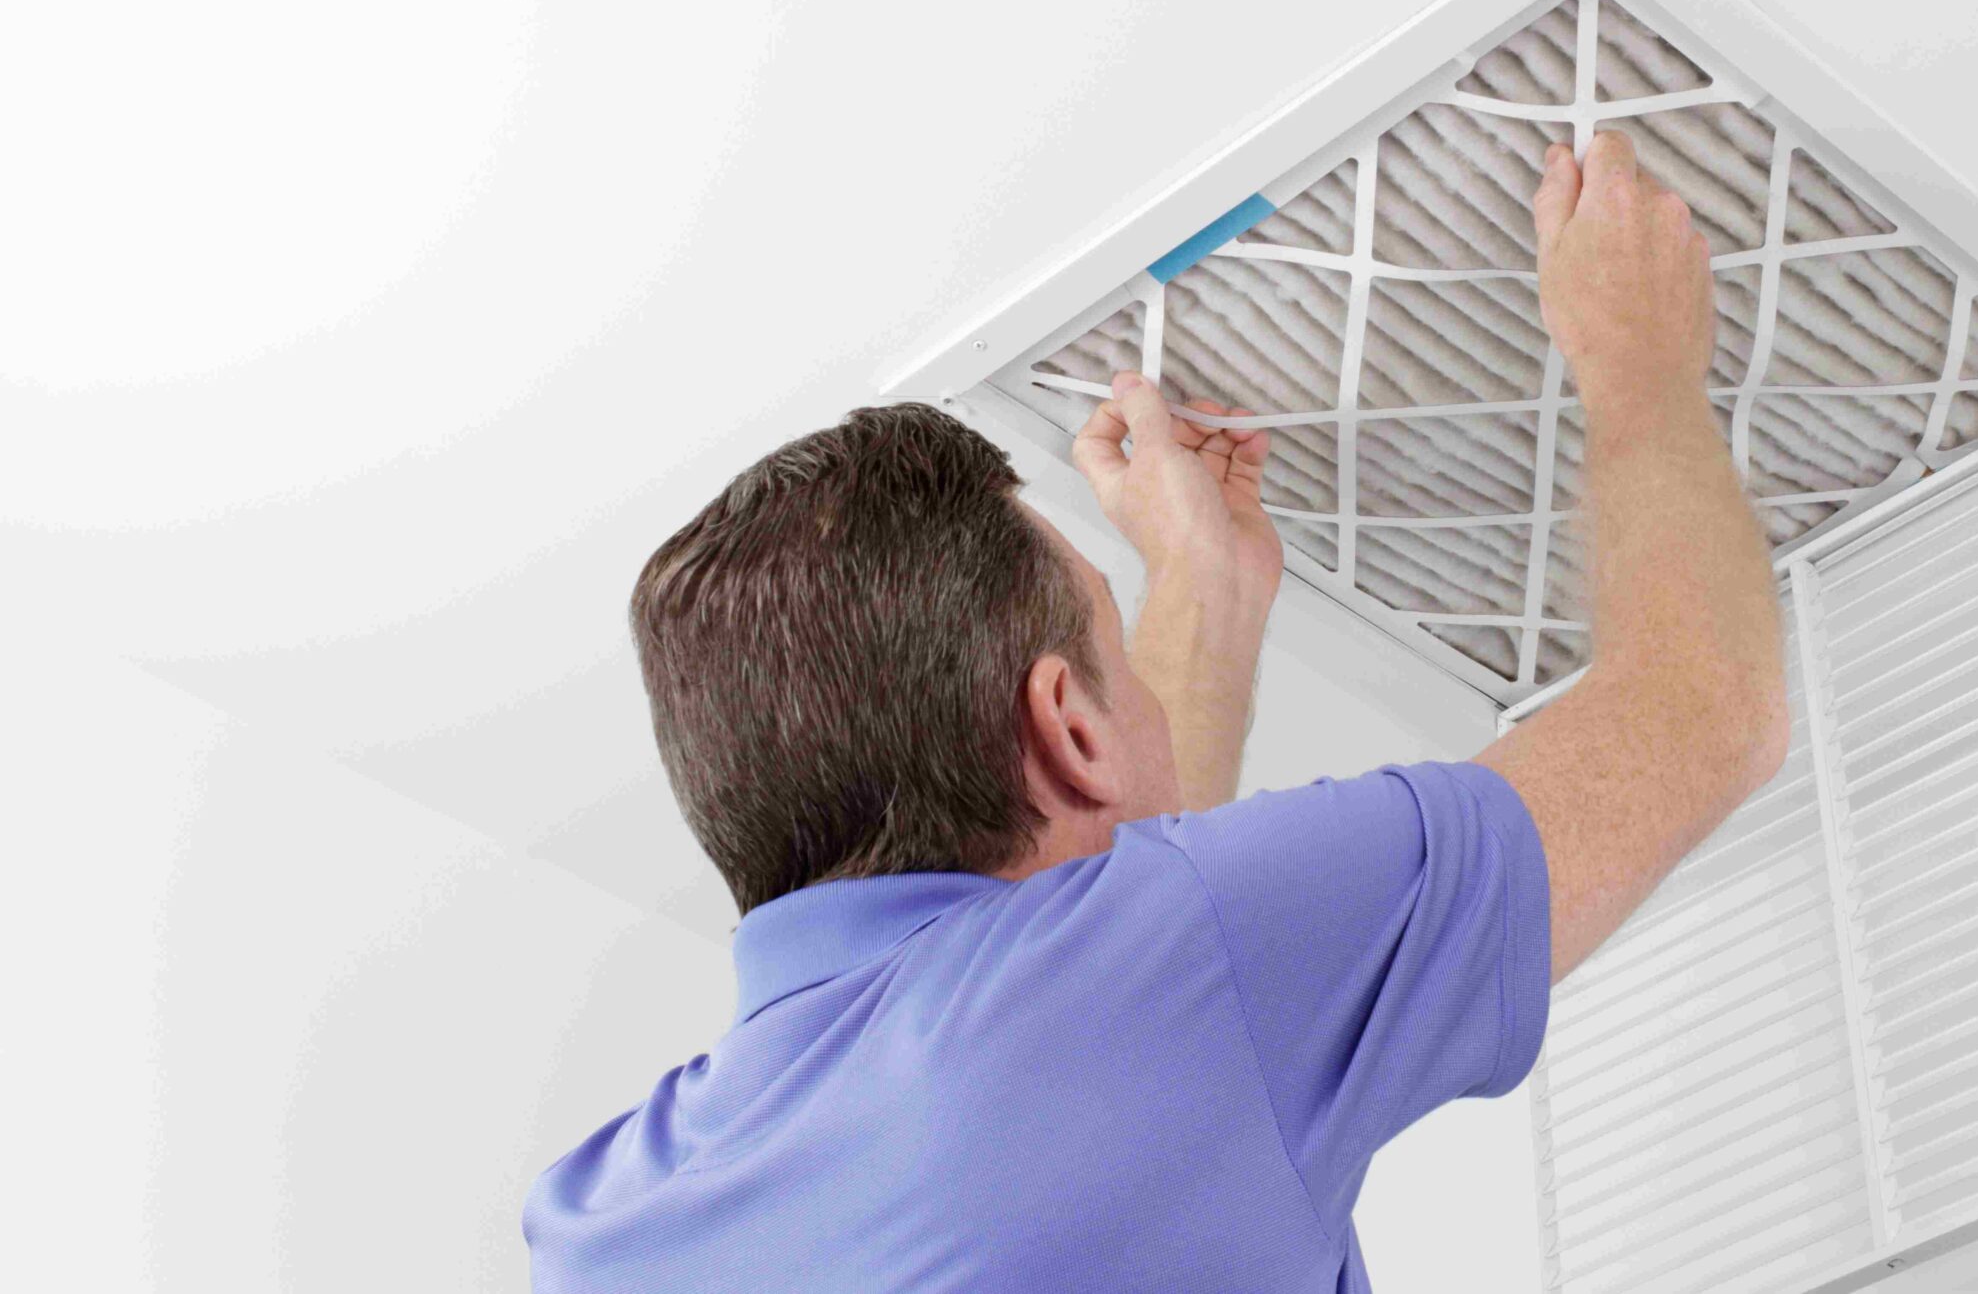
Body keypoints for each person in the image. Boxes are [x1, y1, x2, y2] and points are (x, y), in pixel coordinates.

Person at [521, 129, 1792, 1291]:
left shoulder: (596, 1226)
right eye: (1111, 651)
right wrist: (1640, 362)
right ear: (1069, 730)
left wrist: (1201, 589)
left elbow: (1112, 957)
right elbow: (1704, 708)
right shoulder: (1156, 970)